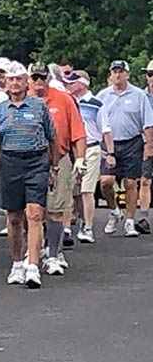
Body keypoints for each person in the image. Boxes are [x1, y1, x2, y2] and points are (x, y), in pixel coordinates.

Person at [0, 61, 58, 289]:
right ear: (5, 83)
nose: (15, 83)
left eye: (19, 79)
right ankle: (17, 263)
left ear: (26, 82)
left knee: (34, 214)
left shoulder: (38, 106)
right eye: (11, 79)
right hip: (10, 162)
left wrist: (53, 167)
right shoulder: (0, 110)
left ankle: (33, 266)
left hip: (36, 161)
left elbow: (52, 138)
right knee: (14, 217)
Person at [27, 63, 85, 276]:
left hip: (58, 159)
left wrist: (79, 159)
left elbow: (77, 132)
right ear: (29, 78)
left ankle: (53, 253)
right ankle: (33, 251)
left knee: (55, 209)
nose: (39, 81)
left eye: (42, 77)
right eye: (35, 77)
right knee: (32, 210)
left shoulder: (63, 99)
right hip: (29, 160)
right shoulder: (22, 99)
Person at [97, 60, 153, 237]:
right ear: (111, 74)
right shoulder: (103, 96)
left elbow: (148, 123)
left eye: (121, 72)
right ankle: (114, 211)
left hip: (131, 142)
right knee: (106, 181)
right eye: (115, 72)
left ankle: (130, 220)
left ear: (127, 74)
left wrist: (149, 146)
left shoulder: (138, 95)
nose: (118, 75)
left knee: (130, 182)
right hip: (109, 142)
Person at [64, 70, 103, 242]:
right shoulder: (69, 102)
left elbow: (105, 130)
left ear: (82, 84)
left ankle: (88, 227)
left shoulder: (96, 104)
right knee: (72, 190)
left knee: (87, 190)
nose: (68, 85)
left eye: (72, 82)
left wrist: (110, 152)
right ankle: (74, 223)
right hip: (71, 150)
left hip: (92, 148)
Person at [140, 59, 153, 233]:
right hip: (146, 142)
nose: (151, 78)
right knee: (145, 180)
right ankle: (143, 216)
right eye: (150, 74)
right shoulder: (140, 96)